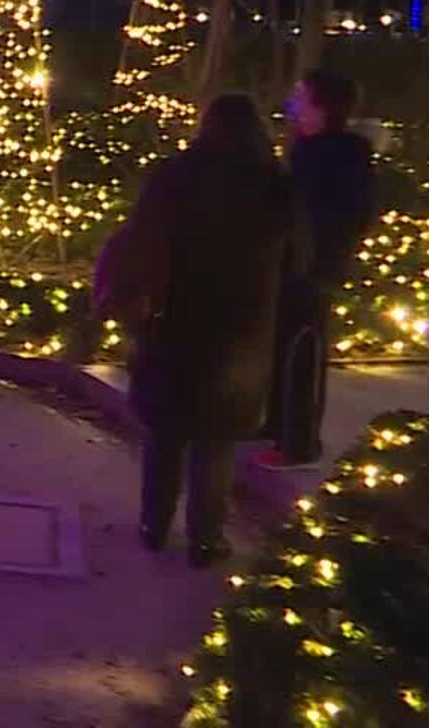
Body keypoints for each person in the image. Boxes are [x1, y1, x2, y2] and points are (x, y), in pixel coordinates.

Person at [124, 94, 299, 567]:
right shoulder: (272, 184)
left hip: (175, 319)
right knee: (216, 440)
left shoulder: (174, 175)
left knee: (165, 433)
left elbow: (140, 236)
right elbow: (295, 252)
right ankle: (205, 538)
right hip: (240, 327)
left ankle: (153, 525)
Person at [261, 69, 376, 469]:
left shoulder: (337, 154)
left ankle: (298, 441)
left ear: (321, 106)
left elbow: (338, 214)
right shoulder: (308, 149)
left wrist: (313, 256)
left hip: (312, 268)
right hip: (293, 263)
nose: (293, 104)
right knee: (281, 344)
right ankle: (274, 424)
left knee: (301, 350)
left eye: (302, 97)